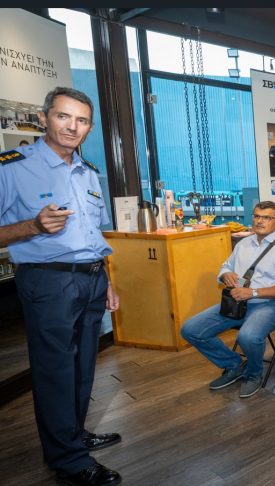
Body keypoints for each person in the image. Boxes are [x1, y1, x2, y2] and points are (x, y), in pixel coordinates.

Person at [0, 87, 124, 486]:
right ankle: (68, 460)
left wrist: (107, 280)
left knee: (83, 365)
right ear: (43, 118)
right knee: (55, 371)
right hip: (48, 281)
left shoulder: (87, 172)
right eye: (63, 116)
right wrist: (33, 226)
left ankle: (72, 434)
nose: (73, 127)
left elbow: (94, 233)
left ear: (90, 127)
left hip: (91, 278)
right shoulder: (12, 168)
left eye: (82, 120)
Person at [180, 201, 275, 398]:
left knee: (247, 336)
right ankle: (234, 365)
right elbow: (225, 267)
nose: (260, 221)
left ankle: (253, 374)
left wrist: (253, 293)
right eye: (257, 216)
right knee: (190, 330)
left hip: (273, 304)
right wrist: (225, 275)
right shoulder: (244, 243)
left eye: (266, 217)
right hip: (237, 302)